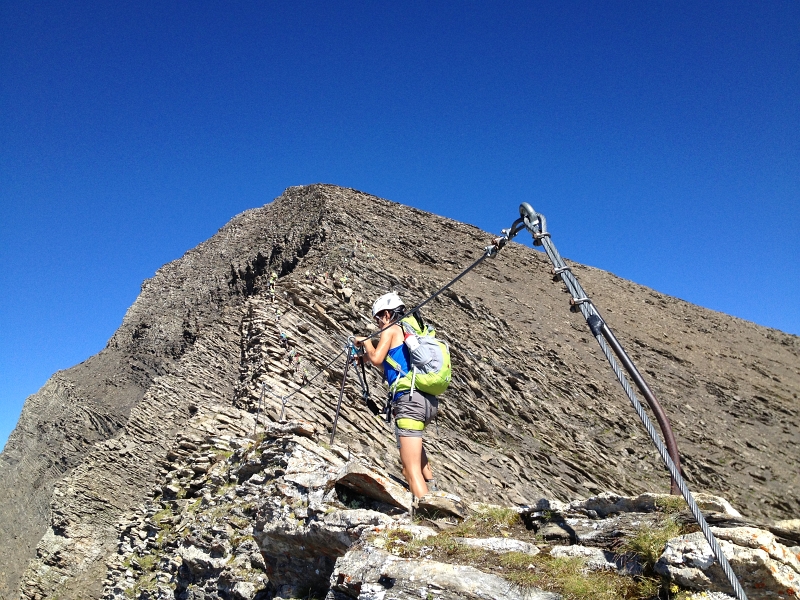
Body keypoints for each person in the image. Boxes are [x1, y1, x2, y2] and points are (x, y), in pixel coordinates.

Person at [355, 292, 438, 499]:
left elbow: (376, 358)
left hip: (408, 401)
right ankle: (435, 496)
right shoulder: (406, 332)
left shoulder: (391, 329)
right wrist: (362, 358)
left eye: (377, 318)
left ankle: (428, 516)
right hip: (426, 401)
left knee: (410, 471)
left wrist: (364, 342)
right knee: (417, 456)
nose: (377, 323)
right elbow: (389, 360)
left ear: (386, 314)